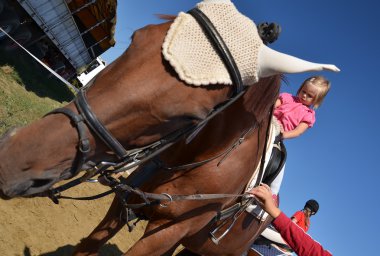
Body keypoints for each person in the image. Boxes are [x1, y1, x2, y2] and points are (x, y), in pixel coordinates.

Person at [249, 184, 332, 256]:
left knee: (263, 227)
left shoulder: (300, 213)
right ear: (313, 213)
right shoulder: (308, 223)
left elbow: (292, 223)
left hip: (288, 238)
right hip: (292, 245)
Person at [274, 76, 331, 140]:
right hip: (268, 120)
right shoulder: (287, 97)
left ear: (316, 100)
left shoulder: (308, 115)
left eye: (309, 95)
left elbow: (298, 132)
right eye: (304, 91)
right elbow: (271, 107)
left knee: (274, 149)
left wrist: (282, 135)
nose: (304, 95)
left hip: (278, 133)